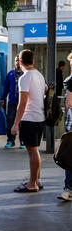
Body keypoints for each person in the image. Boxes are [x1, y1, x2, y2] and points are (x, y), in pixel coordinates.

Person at [12, 49, 47, 193]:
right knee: (35, 150)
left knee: (32, 152)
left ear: (20, 62)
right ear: (32, 60)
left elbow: (23, 102)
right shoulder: (39, 75)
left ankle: (32, 184)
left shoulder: (25, 77)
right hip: (39, 117)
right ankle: (36, 179)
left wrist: (15, 124)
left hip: (30, 119)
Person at [0, 55, 25, 149]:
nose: (17, 62)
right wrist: (3, 98)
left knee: (22, 122)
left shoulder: (25, 74)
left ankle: (23, 141)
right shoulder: (10, 74)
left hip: (22, 103)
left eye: (19, 60)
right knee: (10, 121)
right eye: (16, 60)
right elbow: (5, 87)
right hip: (12, 103)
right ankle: (11, 140)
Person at [57, 53, 72, 201]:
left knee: (69, 158)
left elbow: (69, 103)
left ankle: (69, 189)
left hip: (71, 126)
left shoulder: (70, 81)